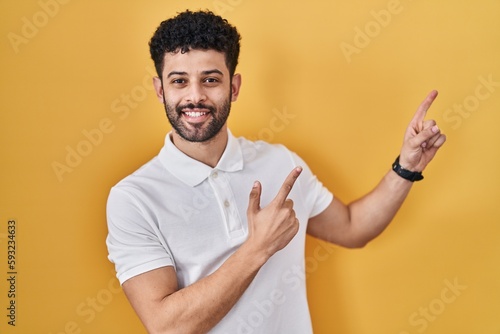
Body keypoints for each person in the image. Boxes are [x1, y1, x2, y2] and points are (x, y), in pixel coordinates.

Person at [106, 9, 446, 334]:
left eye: (211, 79)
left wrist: (407, 167)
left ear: (234, 87)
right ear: (160, 89)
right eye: (179, 81)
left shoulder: (281, 164)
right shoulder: (133, 199)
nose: (195, 96)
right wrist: (258, 248)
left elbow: (353, 228)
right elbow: (167, 326)